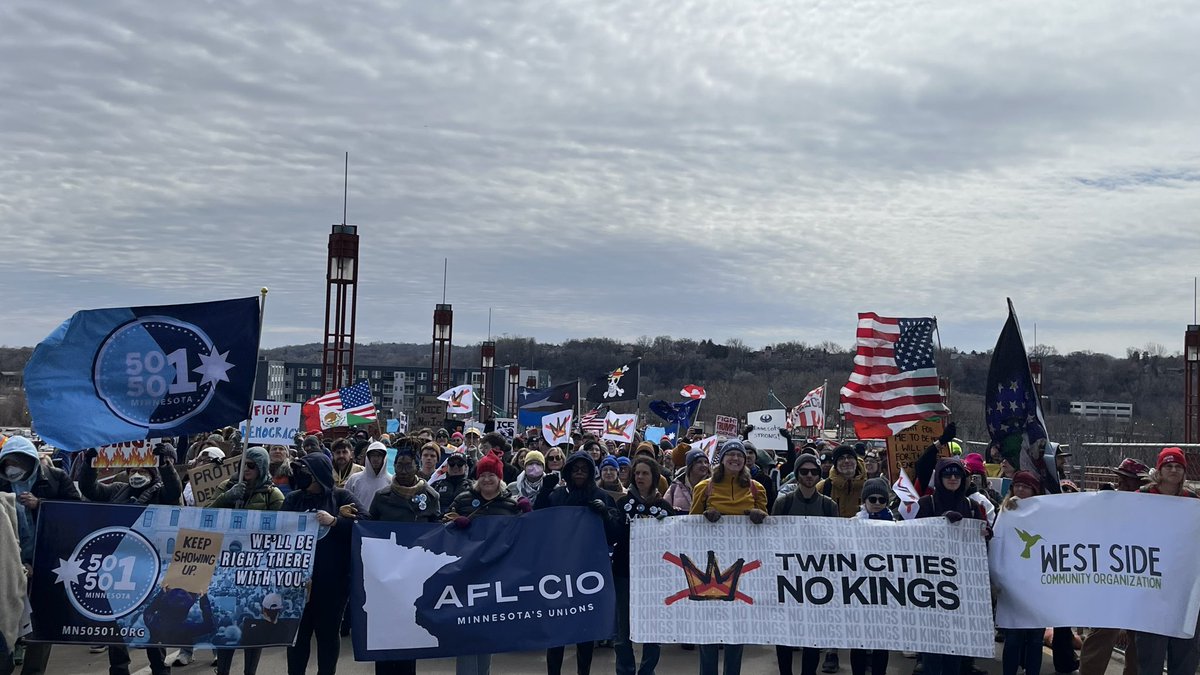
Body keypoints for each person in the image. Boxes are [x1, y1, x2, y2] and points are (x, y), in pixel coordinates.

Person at [78, 442, 181, 675]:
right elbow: (89, 489)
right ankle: (119, 667)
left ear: (152, 473)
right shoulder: (116, 490)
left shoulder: (160, 492)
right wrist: (89, 463)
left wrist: (165, 466)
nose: (136, 475)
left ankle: (158, 666)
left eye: (143, 471)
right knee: (117, 623)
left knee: (151, 621)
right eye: (133, 471)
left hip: (149, 568)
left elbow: (174, 492)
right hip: (118, 567)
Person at [444, 451, 530, 674]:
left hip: (495, 576)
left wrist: (529, 515)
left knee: (486, 630)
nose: (487, 479)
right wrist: (454, 525)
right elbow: (441, 525)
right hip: (466, 574)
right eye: (483, 475)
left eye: (492, 474)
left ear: (500, 478)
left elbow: (525, 537)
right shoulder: (463, 500)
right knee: (465, 630)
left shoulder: (510, 504)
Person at [535, 450, 621, 675]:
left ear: (592, 472)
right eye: (575, 468)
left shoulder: (602, 496)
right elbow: (537, 523)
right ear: (568, 471)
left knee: (585, 629)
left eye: (584, 469)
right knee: (557, 628)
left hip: (589, 571)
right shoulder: (557, 495)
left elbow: (615, 536)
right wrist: (544, 491)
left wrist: (606, 515)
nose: (580, 472)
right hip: (559, 570)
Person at [1, 435, 82, 675]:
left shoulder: (56, 478)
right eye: (6, 463)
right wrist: (19, 562)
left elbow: (76, 514)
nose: (11, 468)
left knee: (41, 621)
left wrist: (42, 505)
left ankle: (33, 670)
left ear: (31, 462)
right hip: (11, 564)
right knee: (8, 615)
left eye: (17, 462)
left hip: (48, 563)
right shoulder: (3, 485)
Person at [689, 440, 767, 675]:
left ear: (745, 460)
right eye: (730, 454)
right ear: (721, 459)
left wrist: (759, 515)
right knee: (709, 627)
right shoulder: (705, 487)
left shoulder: (756, 488)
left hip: (743, 568)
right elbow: (690, 526)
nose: (735, 458)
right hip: (709, 566)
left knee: (737, 627)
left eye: (739, 455)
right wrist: (705, 516)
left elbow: (769, 524)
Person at [282, 452, 362, 675]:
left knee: (327, 635)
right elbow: (278, 531)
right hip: (297, 583)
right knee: (298, 636)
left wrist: (336, 521)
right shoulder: (293, 499)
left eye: (306, 472)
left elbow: (366, 523)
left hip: (333, 583)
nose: (302, 477)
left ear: (320, 474)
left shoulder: (342, 497)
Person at [209, 447, 285, 675]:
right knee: (226, 622)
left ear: (261, 467)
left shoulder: (273, 495)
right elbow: (206, 517)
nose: (246, 470)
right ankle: (222, 670)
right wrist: (227, 498)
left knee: (254, 626)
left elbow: (282, 531)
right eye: (243, 465)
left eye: (252, 466)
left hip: (257, 570)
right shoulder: (226, 487)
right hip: (227, 569)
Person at [368, 445, 441, 675]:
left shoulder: (430, 496)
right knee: (385, 630)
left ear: (417, 467)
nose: (403, 470)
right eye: (399, 465)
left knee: (410, 627)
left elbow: (437, 531)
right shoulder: (382, 497)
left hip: (414, 575)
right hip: (386, 574)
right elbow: (370, 529)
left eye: (408, 465)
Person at [915, 457, 988, 675]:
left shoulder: (972, 507)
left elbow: (984, 544)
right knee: (933, 643)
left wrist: (984, 535)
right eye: (948, 474)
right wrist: (939, 524)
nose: (953, 478)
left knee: (956, 644)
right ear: (939, 477)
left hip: (961, 586)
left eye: (958, 475)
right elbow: (912, 537)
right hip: (931, 585)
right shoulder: (927, 504)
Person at [1077, 459, 1147, 675]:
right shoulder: (1108, 503)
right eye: (1120, 479)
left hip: (1139, 580)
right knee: (1102, 633)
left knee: (1139, 640)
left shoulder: (1151, 508)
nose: (1121, 484)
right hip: (1110, 580)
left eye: (1127, 480)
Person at [1134, 448, 1200, 675]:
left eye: (1178, 467)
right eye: (1168, 466)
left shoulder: (1192, 501)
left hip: (1184, 592)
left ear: (1184, 472)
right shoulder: (1140, 497)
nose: (1173, 470)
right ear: (1159, 470)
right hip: (1150, 593)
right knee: (1150, 656)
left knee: (1185, 654)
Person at [772, 453, 837, 675]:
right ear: (797, 475)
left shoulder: (829, 506)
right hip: (788, 577)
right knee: (785, 632)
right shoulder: (784, 503)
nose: (809, 476)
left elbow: (834, 543)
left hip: (818, 578)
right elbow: (772, 540)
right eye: (804, 471)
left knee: (814, 633)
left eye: (814, 472)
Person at [613, 456, 670, 675]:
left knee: (652, 627)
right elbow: (615, 534)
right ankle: (625, 670)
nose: (639, 477)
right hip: (623, 572)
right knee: (622, 629)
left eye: (645, 473)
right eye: (637, 473)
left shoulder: (665, 508)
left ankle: (647, 670)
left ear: (654, 477)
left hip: (654, 575)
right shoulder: (622, 504)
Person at [993, 471, 1046, 675]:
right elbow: (997, 544)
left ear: (1034, 490)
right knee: (1013, 638)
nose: (1020, 490)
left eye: (1026, 486)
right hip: (1013, 584)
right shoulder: (1006, 512)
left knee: (1035, 639)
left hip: (1038, 587)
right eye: (1017, 486)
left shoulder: (1045, 513)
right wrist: (996, 576)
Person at [345, 441, 391, 512]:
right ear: (368, 457)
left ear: (384, 458)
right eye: (373, 455)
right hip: (360, 521)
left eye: (379, 455)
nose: (375, 459)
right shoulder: (354, 479)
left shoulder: (391, 481)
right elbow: (345, 502)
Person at [665, 449, 710, 514]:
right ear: (690, 465)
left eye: (706, 462)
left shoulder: (713, 485)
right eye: (699, 462)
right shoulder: (675, 486)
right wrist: (672, 511)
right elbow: (665, 509)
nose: (704, 465)